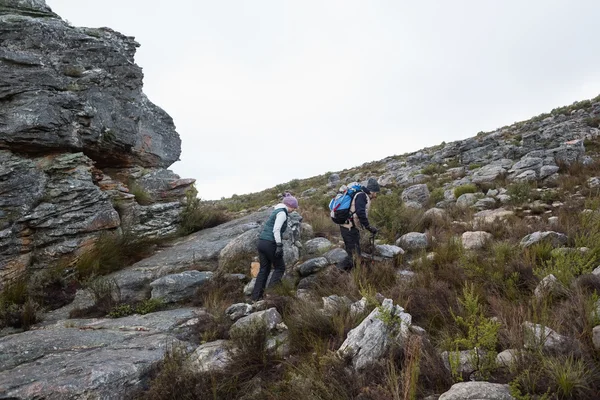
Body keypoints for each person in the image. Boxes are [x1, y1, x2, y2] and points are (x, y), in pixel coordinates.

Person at [251, 193, 299, 301]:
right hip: (270, 243)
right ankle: (270, 294)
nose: (294, 210)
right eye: (294, 208)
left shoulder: (276, 210)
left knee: (264, 269)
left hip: (262, 242)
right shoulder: (282, 213)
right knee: (280, 268)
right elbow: (276, 229)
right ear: (289, 205)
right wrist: (279, 245)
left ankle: (256, 297)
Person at [339, 178, 380, 271]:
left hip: (350, 227)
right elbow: (360, 212)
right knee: (353, 254)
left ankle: (352, 271)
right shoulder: (362, 196)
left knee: (355, 251)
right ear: (372, 191)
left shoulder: (362, 195)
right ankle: (338, 272)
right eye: (376, 192)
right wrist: (369, 227)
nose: (376, 195)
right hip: (348, 228)